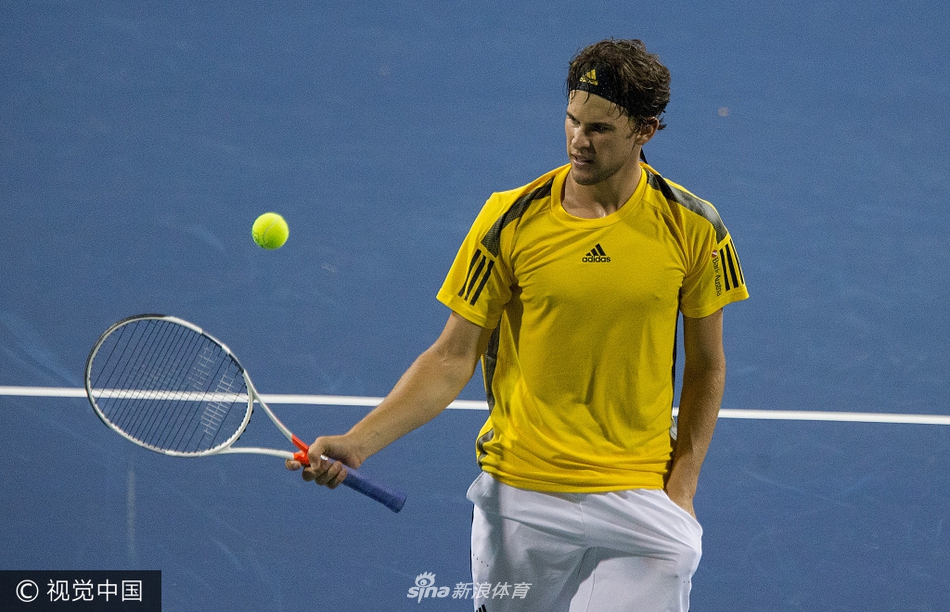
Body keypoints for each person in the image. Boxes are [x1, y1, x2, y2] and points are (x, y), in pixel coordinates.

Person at [288, 38, 749, 611]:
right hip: (523, 494)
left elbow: (707, 365)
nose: (579, 140)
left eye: (600, 129)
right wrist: (359, 443)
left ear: (645, 131)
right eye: (572, 120)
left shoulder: (695, 226)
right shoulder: (509, 219)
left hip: (641, 493)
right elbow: (451, 357)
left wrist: (683, 485)